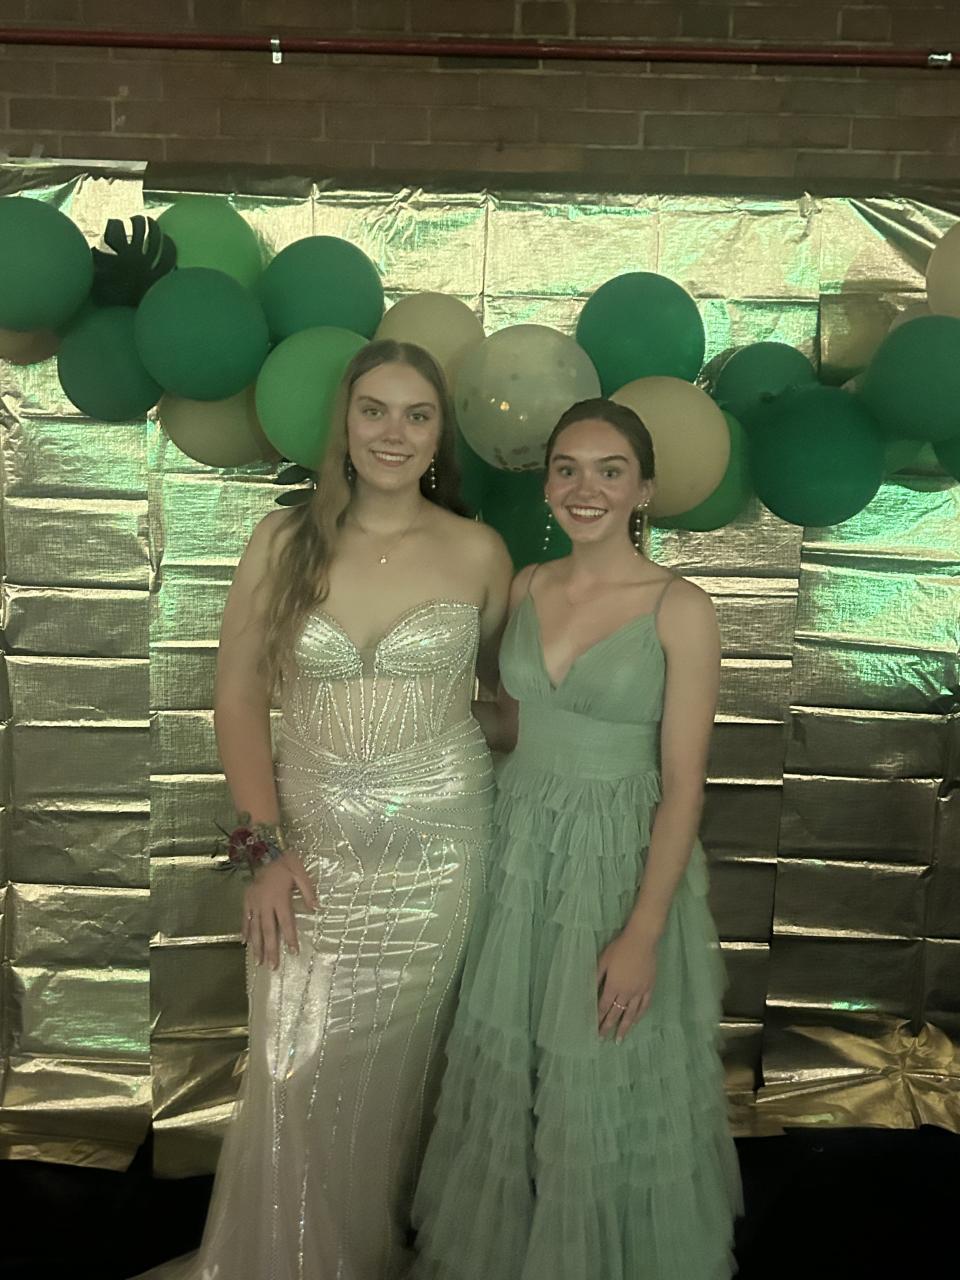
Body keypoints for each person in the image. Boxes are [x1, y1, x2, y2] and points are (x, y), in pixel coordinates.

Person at [138, 339, 512, 1280]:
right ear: (344, 422)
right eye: (374, 410)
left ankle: (357, 1257)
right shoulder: (282, 540)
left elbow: (507, 701)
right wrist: (261, 855)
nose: (394, 432)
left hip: (439, 857)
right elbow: (235, 699)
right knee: (292, 1068)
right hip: (306, 856)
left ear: (440, 435)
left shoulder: (477, 550)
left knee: (388, 1087)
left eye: (417, 415)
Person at [412, 398, 743, 1280]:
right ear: (547, 483)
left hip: (616, 862)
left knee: (598, 1077)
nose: (584, 487)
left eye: (609, 470)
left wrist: (642, 934)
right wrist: (396, 710)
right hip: (519, 851)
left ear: (644, 490)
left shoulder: (680, 607)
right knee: (512, 1072)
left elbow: (683, 787)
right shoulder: (526, 586)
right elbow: (513, 727)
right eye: (567, 468)